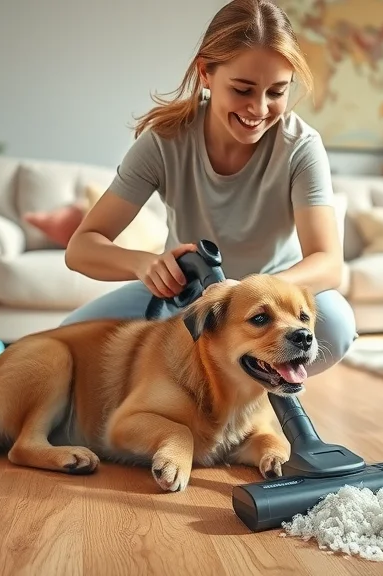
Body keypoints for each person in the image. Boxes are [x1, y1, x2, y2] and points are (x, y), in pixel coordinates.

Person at [61, 0, 356, 376]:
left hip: (275, 302)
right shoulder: (163, 142)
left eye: (277, 92)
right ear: (206, 73)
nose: (259, 108)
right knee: (68, 342)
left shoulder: (300, 146)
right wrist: (144, 264)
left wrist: (255, 294)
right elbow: (82, 247)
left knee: (337, 325)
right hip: (184, 297)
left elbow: (329, 263)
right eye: (243, 89)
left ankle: (249, 391)